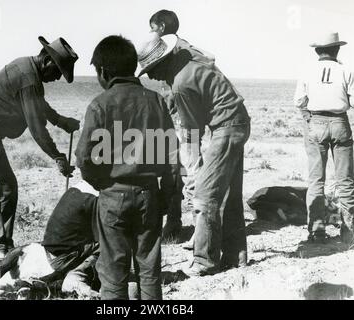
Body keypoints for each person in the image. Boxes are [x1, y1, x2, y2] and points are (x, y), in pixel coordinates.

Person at [137, 32, 251, 276]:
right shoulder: (190, 59)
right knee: (230, 194)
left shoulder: (180, 84)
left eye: (153, 68)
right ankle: (236, 254)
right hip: (237, 122)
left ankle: (204, 261)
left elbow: (192, 132)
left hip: (227, 128)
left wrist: (191, 167)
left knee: (205, 195)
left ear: (163, 62)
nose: (151, 75)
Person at [75, 35, 178, 299]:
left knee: (113, 274)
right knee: (150, 272)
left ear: (103, 72)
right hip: (149, 195)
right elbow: (171, 157)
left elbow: (85, 159)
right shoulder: (156, 101)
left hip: (113, 196)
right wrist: (165, 196)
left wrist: (105, 186)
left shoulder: (101, 104)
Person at [0, 36, 80, 264]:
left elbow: (38, 105)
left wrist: (61, 121)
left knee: (7, 188)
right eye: (57, 71)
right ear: (46, 60)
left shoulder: (29, 72)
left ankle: (4, 246)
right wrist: (57, 157)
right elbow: (36, 127)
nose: (56, 78)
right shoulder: (28, 77)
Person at [148, 10, 216, 239]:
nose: (151, 33)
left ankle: (200, 228)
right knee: (174, 171)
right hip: (177, 119)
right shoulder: (179, 50)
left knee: (190, 171)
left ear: (162, 28)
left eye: (153, 28)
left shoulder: (181, 50)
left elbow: (209, 60)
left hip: (185, 120)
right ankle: (176, 223)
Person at [294, 32, 354, 244]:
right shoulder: (345, 70)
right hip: (340, 123)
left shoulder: (307, 70)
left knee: (316, 179)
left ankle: (317, 230)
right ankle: (348, 231)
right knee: (345, 179)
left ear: (317, 51)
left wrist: (309, 114)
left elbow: (298, 101)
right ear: (337, 49)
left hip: (316, 124)